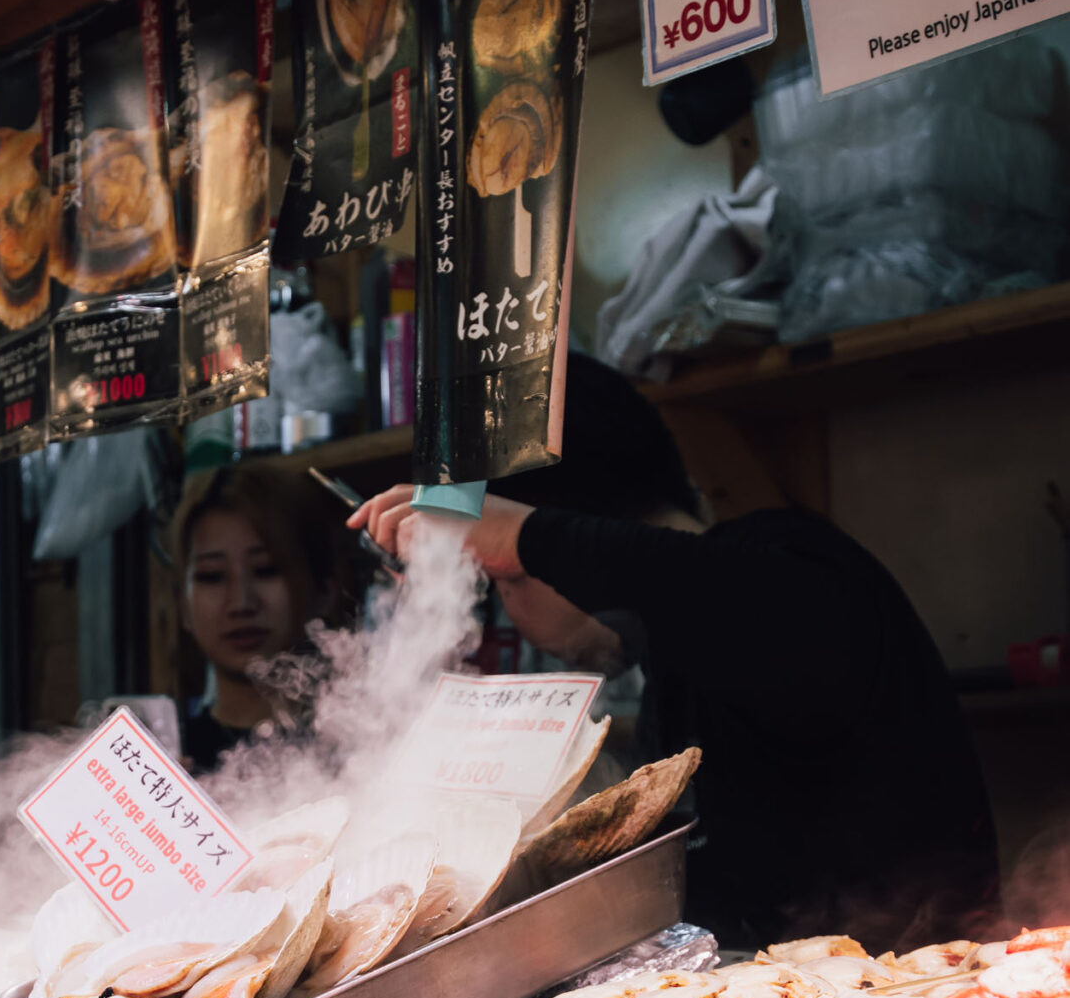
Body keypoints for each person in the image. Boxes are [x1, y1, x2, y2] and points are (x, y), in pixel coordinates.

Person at [351, 354, 999, 951]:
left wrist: (526, 537)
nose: (512, 609)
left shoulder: (796, 568)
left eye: (509, 578)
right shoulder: (683, 649)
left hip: (912, 990)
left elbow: (744, 595)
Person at [172, 464, 348, 772]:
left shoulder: (363, 747)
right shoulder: (162, 759)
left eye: (266, 570)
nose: (240, 602)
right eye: (212, 576)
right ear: (183, 606)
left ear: (323, 589)